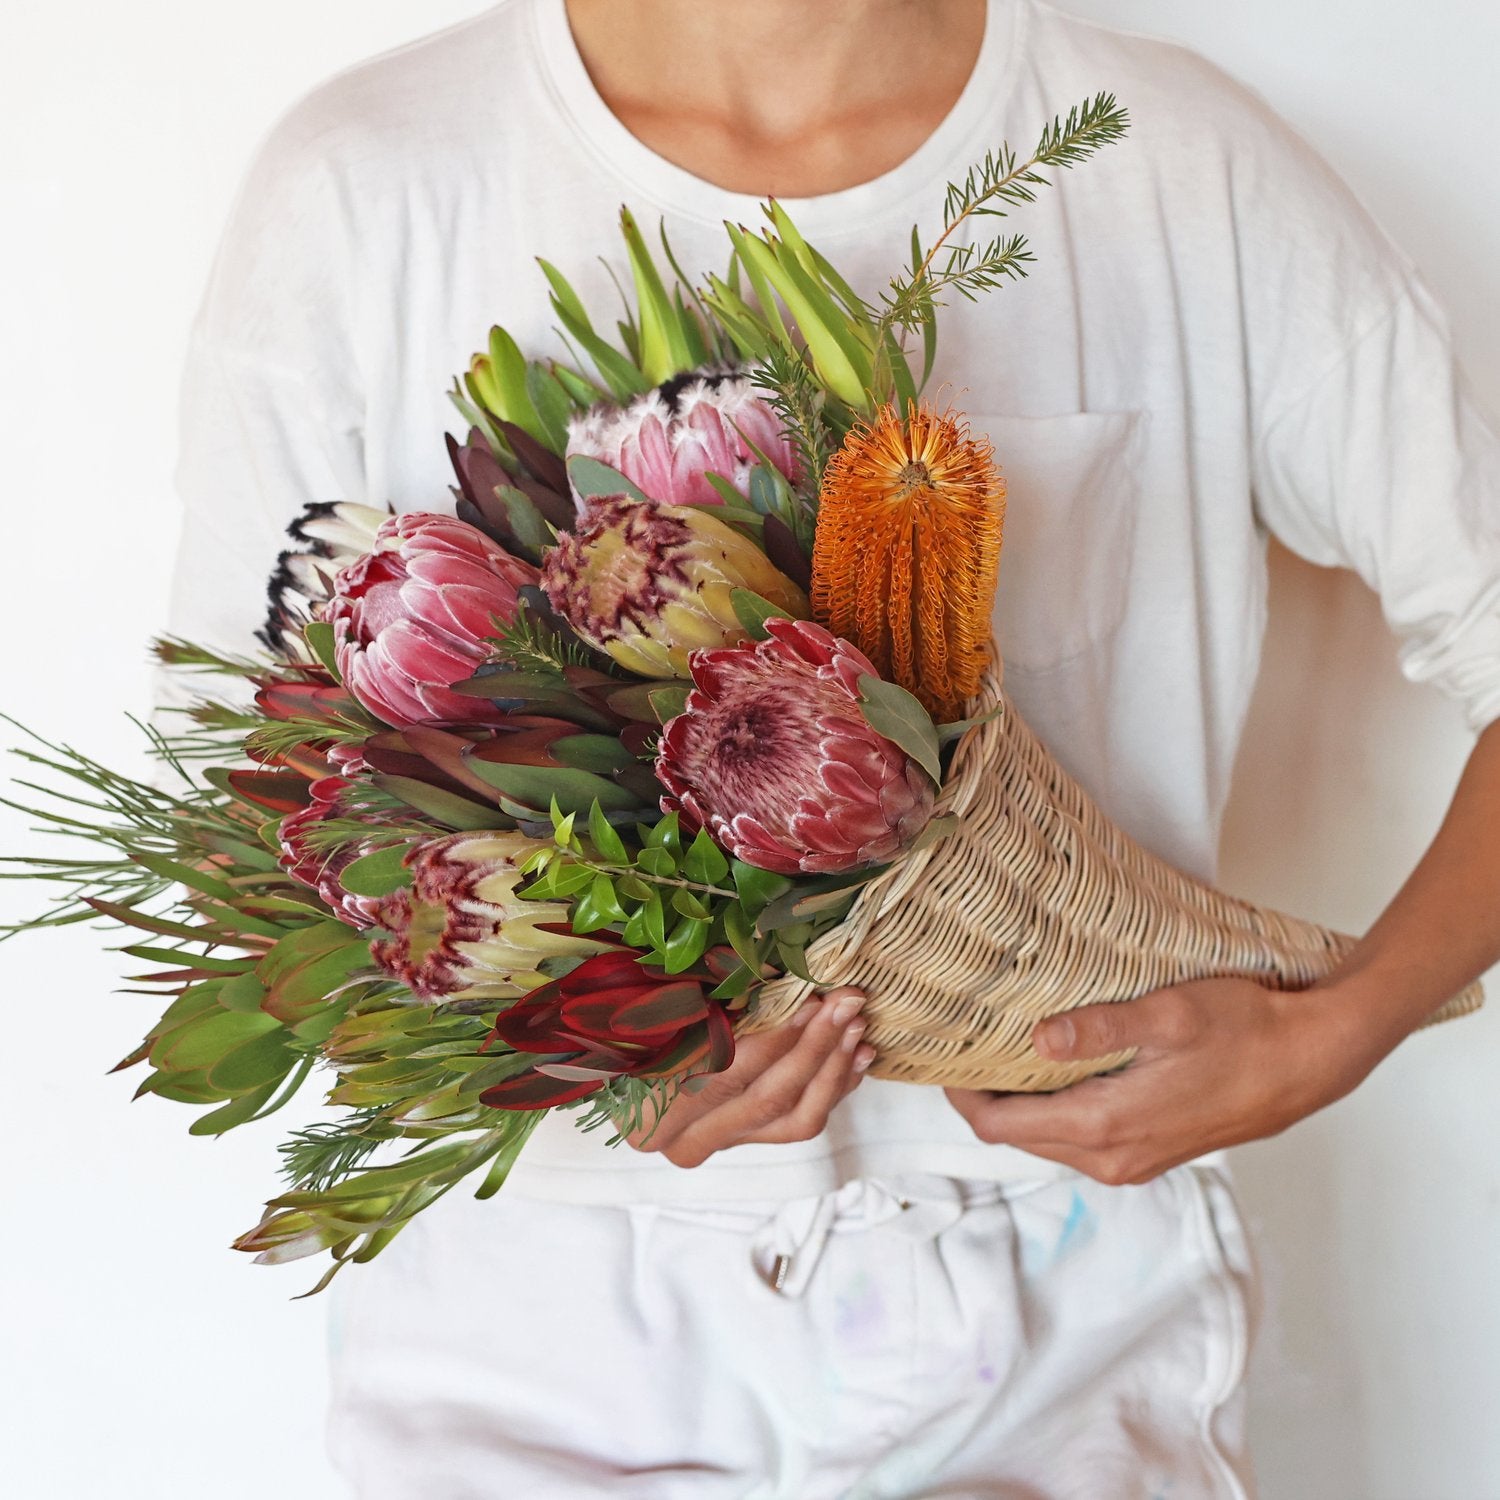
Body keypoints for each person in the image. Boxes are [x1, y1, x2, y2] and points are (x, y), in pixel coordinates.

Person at [171, 1, 1500, 1494]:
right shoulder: (371, 181)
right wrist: (595, 1064)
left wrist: (1342, 1029)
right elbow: (242, 802)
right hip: (534, 1319)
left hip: (1053, 1288)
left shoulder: (1179, 164)